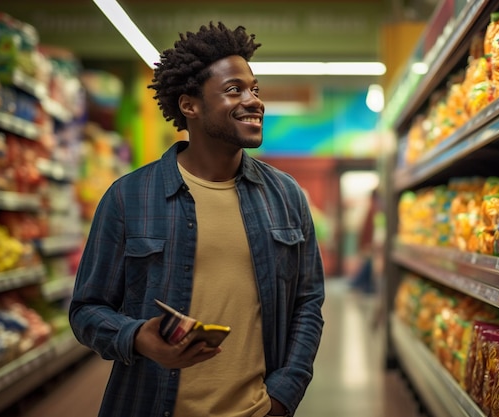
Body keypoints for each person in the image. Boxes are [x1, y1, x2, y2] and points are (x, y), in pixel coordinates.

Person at [69, 22, 325, 417]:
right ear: (190, 105)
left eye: (255, 89)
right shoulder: (129, 198)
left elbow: (308, 304)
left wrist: (283, 396)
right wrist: (137, 337)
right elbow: (86, 309)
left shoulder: (286, 197)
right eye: (233, 89)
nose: (253, 100)